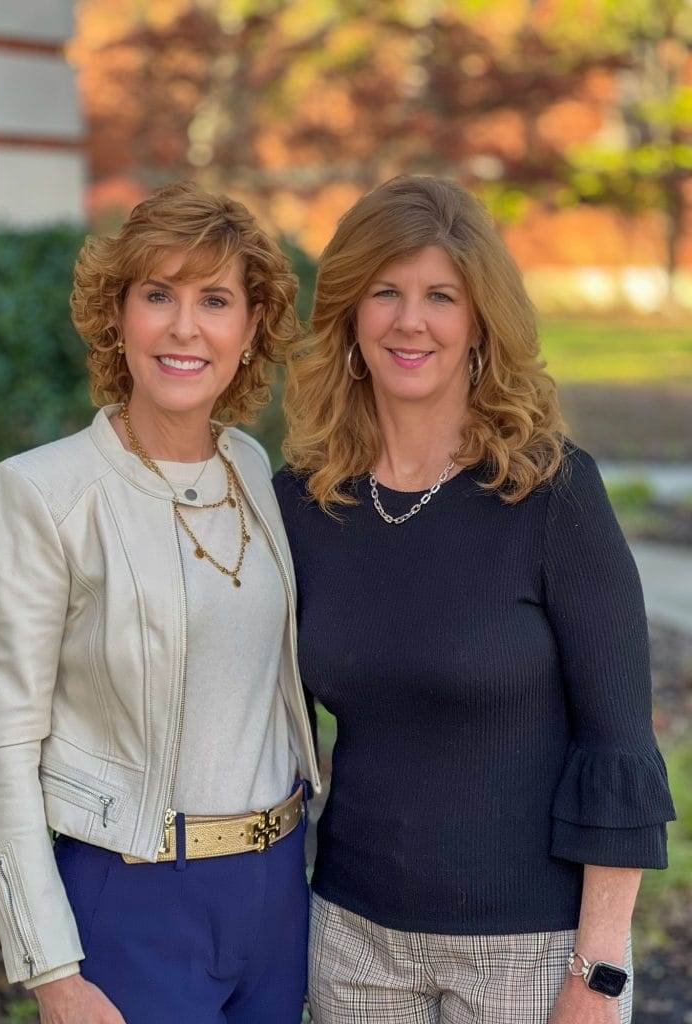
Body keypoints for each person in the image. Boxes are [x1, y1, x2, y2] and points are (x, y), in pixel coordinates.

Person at [274, 175, 675, 1024]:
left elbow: (619, 743)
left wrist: (596, 975)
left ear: (479, 321)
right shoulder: (307, 503)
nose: (409, 321)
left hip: (529, 953)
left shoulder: (551, 494)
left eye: (439, 296)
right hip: (352, 940)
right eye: (384, 291)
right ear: (350, 315)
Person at [0, 180, 320, 1024]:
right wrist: (53, 969)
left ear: (251, 329)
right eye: (157, 294)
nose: (184, 327)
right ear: (117, 316)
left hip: (278, 893)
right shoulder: (44, 493)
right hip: (133, 904)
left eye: (215, 300)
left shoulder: (257, 479)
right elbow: (1, 744)